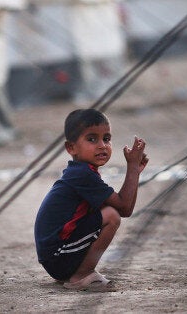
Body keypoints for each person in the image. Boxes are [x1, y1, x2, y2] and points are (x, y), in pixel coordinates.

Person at [34, 108, 149, 292]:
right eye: (92, 139)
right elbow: (123, 208)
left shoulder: (82, 172)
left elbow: (125, 208)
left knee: (109, 213)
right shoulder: (82, 175)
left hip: (57, 257)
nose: (102, 145)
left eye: (106, 138)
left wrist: (134, 170)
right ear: (71, 148)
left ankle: (77, 271)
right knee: (111, 216)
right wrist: (133, 167)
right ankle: (80, 276)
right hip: (58, 257)